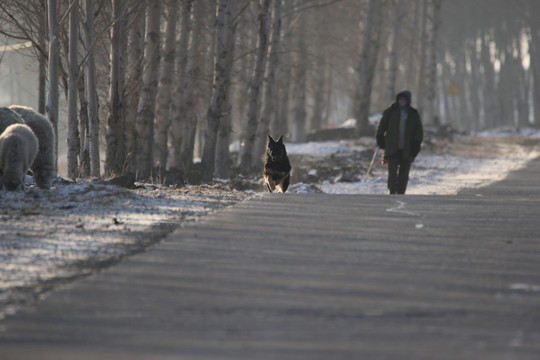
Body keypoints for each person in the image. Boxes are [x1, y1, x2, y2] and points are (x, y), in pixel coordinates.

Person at [376, 90, 423, 195]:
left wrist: (416, 145)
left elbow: (418, 131)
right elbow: (382, 125)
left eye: (404, 100)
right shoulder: (391, 111)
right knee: (392, 171)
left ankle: (401, 192)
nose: (402, 102)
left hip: (407, 149)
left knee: (404, 172)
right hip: (392, 147)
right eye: (400, 99)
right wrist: (380, 138)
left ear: (408, 101)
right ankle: (392, 190)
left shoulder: (413, 114)